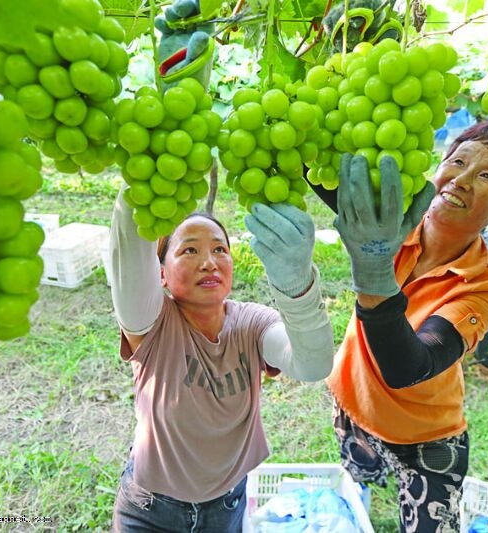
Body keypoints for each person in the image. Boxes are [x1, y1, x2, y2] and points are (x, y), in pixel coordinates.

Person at [310, 120, 488, 532]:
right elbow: (317, 169)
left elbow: (410, 366)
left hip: (425, 440)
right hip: (352, 402)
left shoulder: (487, 283)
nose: (462, 180)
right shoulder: (393, 221)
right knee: (357, 488)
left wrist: (374, 274)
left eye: (486, 176)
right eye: (457, 162)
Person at [107, 187, 335, 532]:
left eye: (219, 249)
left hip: (226, 508)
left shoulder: (252, 323)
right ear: (161, 273)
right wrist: (137, 187)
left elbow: (312, 365)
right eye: (189, 250)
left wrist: (298, 287)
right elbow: (130, 262)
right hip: (150, 511)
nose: (209, 262)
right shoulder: (153, 324)